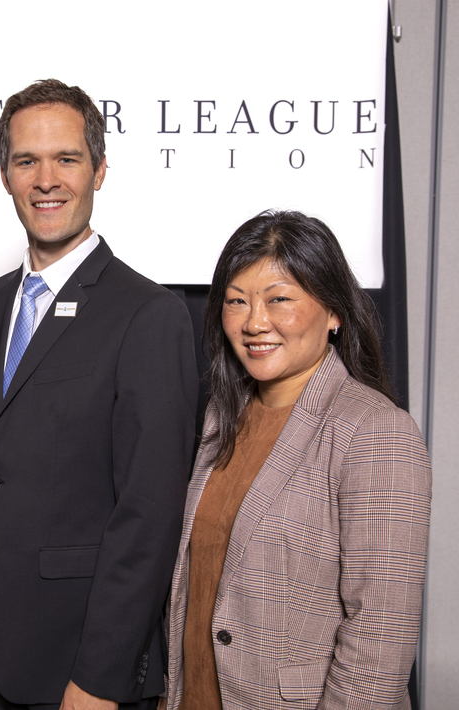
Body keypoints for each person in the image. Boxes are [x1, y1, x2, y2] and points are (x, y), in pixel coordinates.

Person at [0, 78, 199, 709]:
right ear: (5, 176)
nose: (46, 179)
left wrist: (100, 677)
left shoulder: (148, 314)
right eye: (26, 161)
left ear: (98, 171)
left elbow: (148, 516)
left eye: (66, 159)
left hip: (81, 669)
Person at [165, 210, 433, 710]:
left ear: (333, 313)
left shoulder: (374, 431)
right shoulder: (223, 418)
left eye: (279, 300)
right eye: (236, 302)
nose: (254, 323)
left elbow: (380, 641)